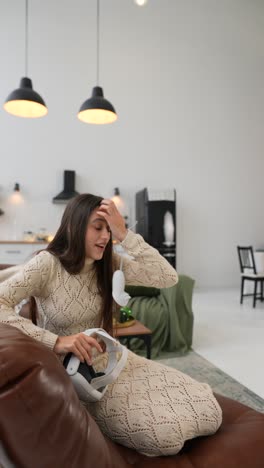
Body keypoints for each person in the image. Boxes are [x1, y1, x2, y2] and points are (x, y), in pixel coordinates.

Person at [0, 194, 222, 456]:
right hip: (82, 378)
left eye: (109, 229)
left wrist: (125, 234)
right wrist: (57, 341)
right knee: (165, 437)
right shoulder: (47, 264)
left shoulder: (109, 263)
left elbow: (167, 276)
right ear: (74, 226)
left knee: (209, 407)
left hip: (116, 360)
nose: (105, 236)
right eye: (98, 227)